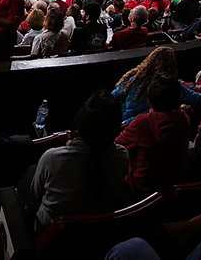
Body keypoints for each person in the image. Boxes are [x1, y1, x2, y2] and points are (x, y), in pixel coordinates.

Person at [25, 90, 129, 228]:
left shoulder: (53, 158)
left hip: (51, 232)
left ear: (81, 120)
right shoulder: (122, 156)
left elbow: (35, 193)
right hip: (96, 231)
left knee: (31, 172)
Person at [116, 75, 191, 195]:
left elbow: (116, 146)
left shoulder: (143, 123)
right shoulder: (183, 118)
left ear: (149, 100)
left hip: (140, 191)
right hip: (172, 185)